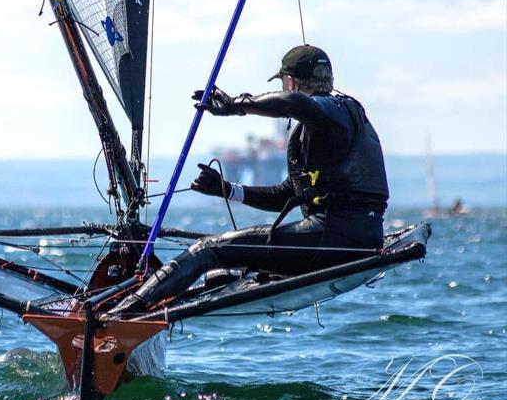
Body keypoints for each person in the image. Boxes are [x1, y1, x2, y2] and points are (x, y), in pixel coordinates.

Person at [111, 44, 389, 314]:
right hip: (359, 235)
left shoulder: (329, 109)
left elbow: (294, 104)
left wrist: (235, 105)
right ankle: (141, 306)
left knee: (206, 249)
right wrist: (227, 190)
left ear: (290, 82)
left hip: (331, 237)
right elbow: (286, 194)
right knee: (227, 261)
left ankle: (119, 316)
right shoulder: (339, 123)